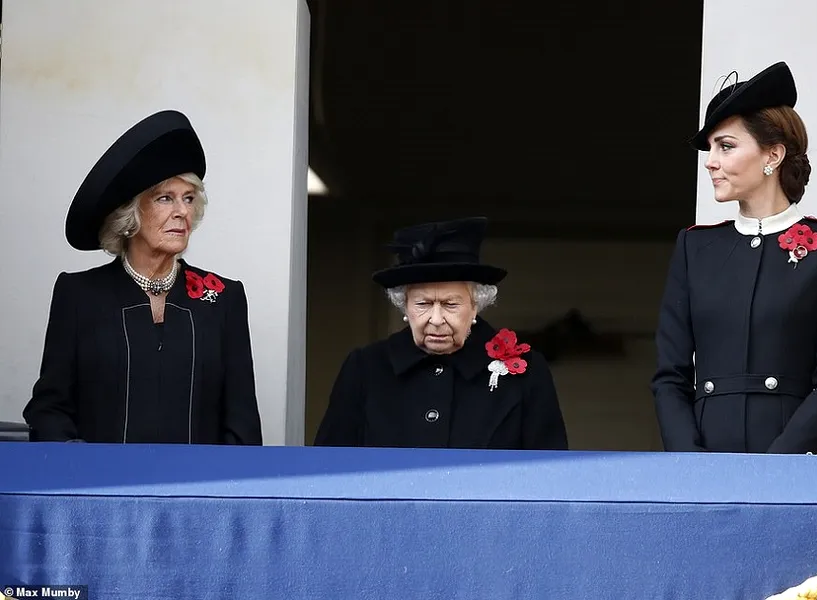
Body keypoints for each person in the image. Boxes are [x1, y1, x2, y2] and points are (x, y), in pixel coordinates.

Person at [651, 62, 817, 455]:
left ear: (773, 154)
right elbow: (670, 376)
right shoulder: (694, 247)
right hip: (705, 460)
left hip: (794, 460)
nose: (710, 161)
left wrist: (777, 465)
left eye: (726, 146)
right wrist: (689, 462)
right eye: (711, 148)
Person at [23, 110, 263, 445]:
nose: (183, 211)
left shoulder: (223, 298)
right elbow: (50, 409)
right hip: (102, 478)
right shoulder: (79, 295)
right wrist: (79, 465)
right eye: (165, 198)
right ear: (130, 212)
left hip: (198, 480)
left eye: (188, 198)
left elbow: (242, 425)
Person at [314, 217, 569, 449]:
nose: (436, 320)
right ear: (404, 306)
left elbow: (549, 473)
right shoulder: (365, 368)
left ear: (475, 305)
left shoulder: (527, 372)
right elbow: (328, 468)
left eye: (450, 304)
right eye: (423, 304)